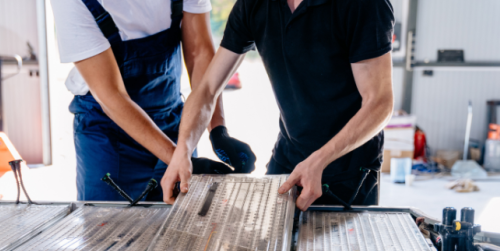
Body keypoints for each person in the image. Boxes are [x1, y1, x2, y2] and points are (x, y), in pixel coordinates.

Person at [161, 0, 395, 210]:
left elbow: (379, 104)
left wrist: (319, 160)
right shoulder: (254, 5)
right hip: (288, 159)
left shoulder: (365, 5)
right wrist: (183, 150)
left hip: (348, 172)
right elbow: (207, 88)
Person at [49, 0, 256, 201]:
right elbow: (112, 96)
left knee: (180, 227)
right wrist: (182, 160)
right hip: (107, 134)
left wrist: (217, 130)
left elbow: (199, 53)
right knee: (109, 228)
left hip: (174, 122)